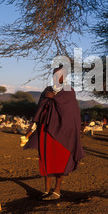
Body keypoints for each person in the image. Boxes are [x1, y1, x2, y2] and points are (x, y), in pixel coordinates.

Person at [23, 65, 85, 200]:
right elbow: (39, 109)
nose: (56, 78)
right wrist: (33, 124)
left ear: (65, 76)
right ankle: (46, 190)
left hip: (62, 133)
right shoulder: (47, 90)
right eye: (54, 75)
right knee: (46, 158)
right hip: (46, 131)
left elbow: (70, 113)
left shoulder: (69, 91)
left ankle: (57, 190)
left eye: (59, 75)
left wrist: (54, 98)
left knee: (60, 161)